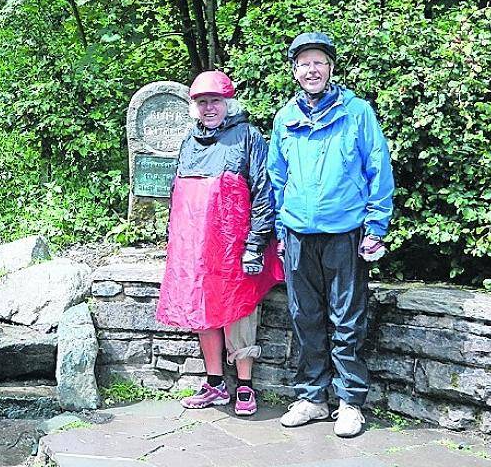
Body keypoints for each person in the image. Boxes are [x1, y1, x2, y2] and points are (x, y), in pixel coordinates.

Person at [268, 32, 394, 438]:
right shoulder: (284, 119)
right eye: (304, 63)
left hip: (344, 233)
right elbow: (277, 177)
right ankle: (312, 398)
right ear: (294, 71)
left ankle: (350, 402)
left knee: (347, 319)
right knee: (305, 317)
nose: (312, 69)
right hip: (299, 234)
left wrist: (375, 227)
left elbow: (378, 169)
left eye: (319, 62)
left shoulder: (357, 113)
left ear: (331, 68)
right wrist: (281, 230)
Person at [157, 70, 283, 417]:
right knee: (203, 311)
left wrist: (255, 245)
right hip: (196, 248)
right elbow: (179, 196)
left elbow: (263, 193)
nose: (209, 108)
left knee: (239, 311)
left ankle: (244, 385)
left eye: (215, 101)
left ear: (227, 103)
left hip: (234, 245)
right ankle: (214, 383)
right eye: (202, 102)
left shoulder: (248, 137)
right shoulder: (188, 142)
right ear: (194, 107)